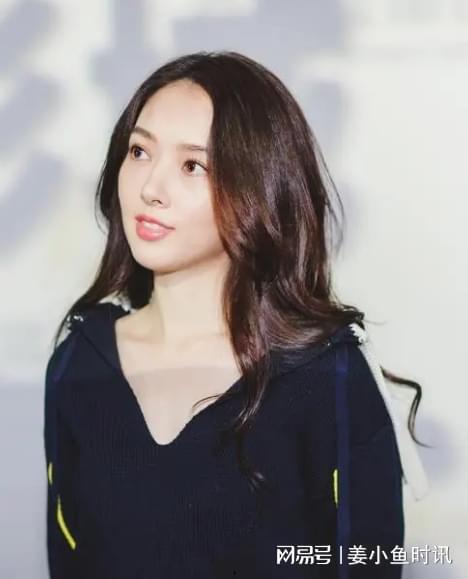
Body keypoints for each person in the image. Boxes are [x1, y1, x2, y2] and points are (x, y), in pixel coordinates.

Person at [43, 50, 429, 579]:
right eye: (139, 151)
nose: (150, 188)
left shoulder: (326, 374)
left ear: (258, 185)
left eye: (192, 165)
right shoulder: (80, 361)